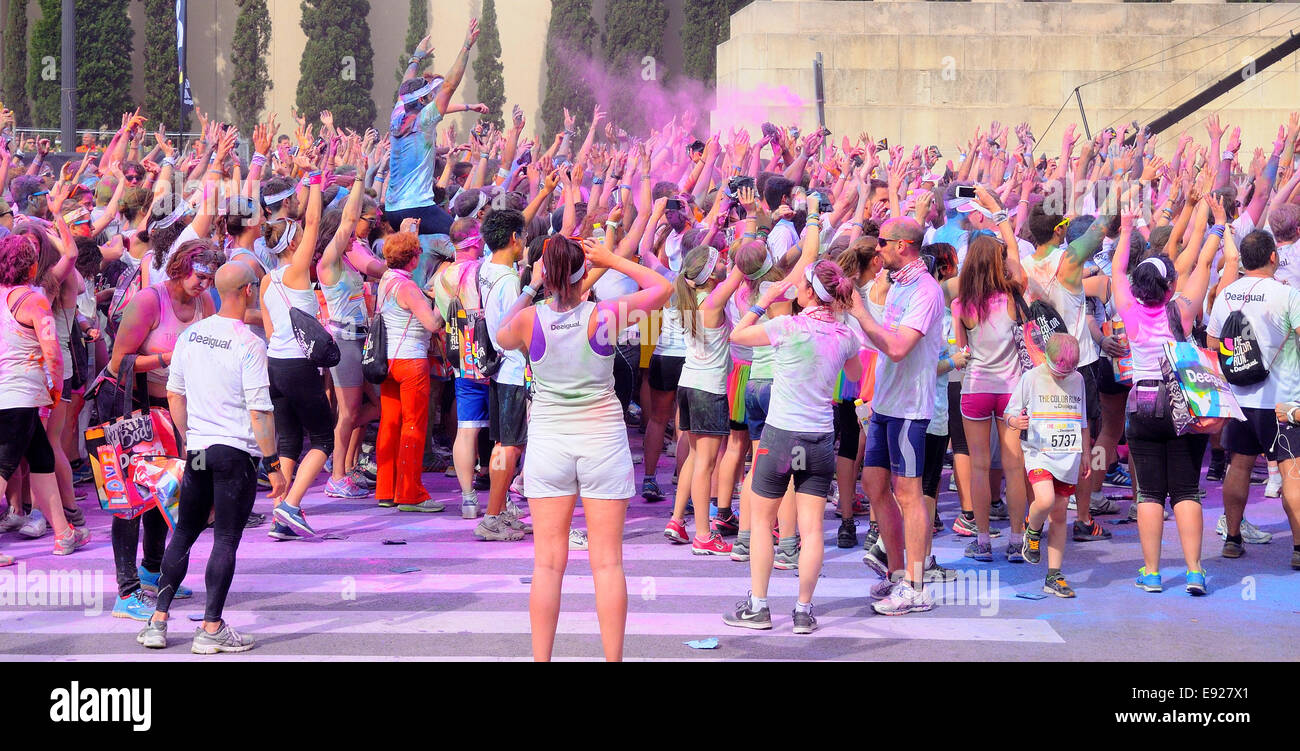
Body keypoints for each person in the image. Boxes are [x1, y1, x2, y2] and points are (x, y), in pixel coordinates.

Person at [495, 235, 671, 661]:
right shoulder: (605, 315)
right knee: (607, 563)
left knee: (548, 565)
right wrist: (612, 259)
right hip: (603, 441)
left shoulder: (528, 321)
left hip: (550, 443)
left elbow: (500, 333)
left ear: (546, 273)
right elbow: (662, 287)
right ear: (582, 276)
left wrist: (532, 286)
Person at [136, 262, 289, 653]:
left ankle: (158, 621)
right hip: (234, 454)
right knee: (225, 539)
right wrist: (273, 465)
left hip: (200, 451)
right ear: (250, 291)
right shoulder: (250, 343)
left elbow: (174, 394)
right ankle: (211, 627)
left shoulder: (191, 336)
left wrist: (188, 441)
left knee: (184, 531)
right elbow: (260, 411)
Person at [724, 246, 860, 634]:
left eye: (801, 284)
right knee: (812, 528)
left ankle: (759, 606)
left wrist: (763, 300)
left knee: (764, 520)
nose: (795, 289)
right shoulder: (846, 335)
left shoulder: (787, 326)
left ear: (811, 292)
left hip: (781, 434)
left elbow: (738, 335)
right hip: (819, 436)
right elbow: (853, 373)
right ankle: (803, 611)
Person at [106, 239, 219, 618]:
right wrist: (169, 357)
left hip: (177, 412)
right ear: (181, 267)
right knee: (129, 502)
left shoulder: (205, 303)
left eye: (210, 278)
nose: (204, 284)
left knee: (164, 494)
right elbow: (117, 362)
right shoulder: (150, 301)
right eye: (200, 276)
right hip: (136, 413)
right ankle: (126, 593)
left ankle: (152, 571)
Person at [1113, 192, 1219, 596]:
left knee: (1150, 493)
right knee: (1187, 489)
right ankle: (1194, 571)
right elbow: (1202, 261)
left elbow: (1117, 272)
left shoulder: (1129, 310)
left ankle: (1153, 572)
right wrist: (1211, 221)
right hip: (1182, 405)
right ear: (1170, 284)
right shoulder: (1184, 310)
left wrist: (1125, 230)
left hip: (1141, 405)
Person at [848, 216, 945, 615]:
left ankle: (917, 585)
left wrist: (861, 314)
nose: (878, 250)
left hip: (909, 407)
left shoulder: (925, 290)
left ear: (903, 246)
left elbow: (900, 347)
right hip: (886, 403)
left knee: (910, 493)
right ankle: (897, 572)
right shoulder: (900, 283)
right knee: (873, 484)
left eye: (884, 244)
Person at [1205, 229, 1300, 561]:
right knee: (1292, 473)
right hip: (1283, 402)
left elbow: (1212, 344)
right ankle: (1299, 550)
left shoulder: (1227, 294)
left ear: (1243, 260)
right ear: (1273, 257)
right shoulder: (1287, 295)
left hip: (1240, 400)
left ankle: (1232, 539)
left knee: (1239, 467)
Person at [0, 234, 90, 563]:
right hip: (20, 394)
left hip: (9, 393)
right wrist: (54, 390)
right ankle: (64, 532)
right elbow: (52, 352)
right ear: (33, 265)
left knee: (40, 461)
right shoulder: (34, 301)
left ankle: (64, 533)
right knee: (5, 465)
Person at [261, 169, 333, 541]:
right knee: (324, 438)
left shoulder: (267, 279)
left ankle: (278, 515)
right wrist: (316, 181)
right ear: (292, 243)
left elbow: (272, 331)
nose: (307, 237)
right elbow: (316, 219)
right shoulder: (298, 270)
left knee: (288, 440)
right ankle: (291, 505)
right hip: (297, 365)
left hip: (275, 365)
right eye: (300, 235)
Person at [386, 19, 489, 237]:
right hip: (417, 207)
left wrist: (416, 58)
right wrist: (466, 47)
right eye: (430, 96)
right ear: (424, 101)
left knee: (421, 251)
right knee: (465, 239)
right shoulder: (424, 119)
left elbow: (406, 85)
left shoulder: (398, 112)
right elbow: (450, 85)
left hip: (392, 209)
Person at [1007, 333, 1089, 598]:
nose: (1063, 376)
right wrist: (1014, 422)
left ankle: (1054, 575)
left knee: (1061, 514)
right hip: (1039, 452)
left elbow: (1083, 420)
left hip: (1068, 454)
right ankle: (1031, 531)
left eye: (1068, 371)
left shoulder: (1078, 380)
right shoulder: (1031, 378)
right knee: (1044, 499)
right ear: (1046, 358)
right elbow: (1010, 412)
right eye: (1058, 371)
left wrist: (1087, 452)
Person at [374, 230, 445, 511]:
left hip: (387, 360)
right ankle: (410, 493)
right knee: (413, 425)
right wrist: (441, 301)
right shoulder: (408, 288)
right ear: (413, 259)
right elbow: (432, 324)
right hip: (411, 360)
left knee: (389, 424)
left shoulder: (387, 280)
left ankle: (386, 489)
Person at [476, 208, 533, 541]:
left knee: (502, 445)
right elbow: (514, 327)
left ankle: (499, 508)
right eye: (522, 235)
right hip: (512, 370)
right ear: (514, 239)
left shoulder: (488, 267)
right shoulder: (511, 282)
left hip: (500, 370)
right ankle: (492, 515)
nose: (524, 241)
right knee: (509, 448)